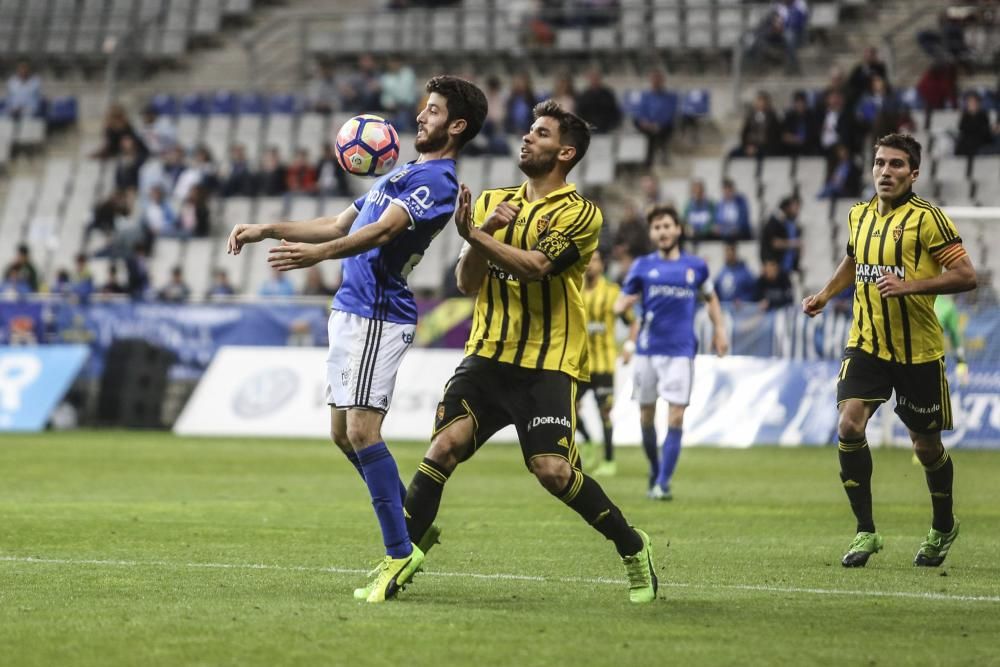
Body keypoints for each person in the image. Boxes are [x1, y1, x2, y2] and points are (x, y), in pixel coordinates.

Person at [227, 75, 487, 603]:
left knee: (364, 433)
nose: (421, 116)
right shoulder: (406, 170)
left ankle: (398, 552)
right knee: (343, 435)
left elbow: (384, 231)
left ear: (456, 126)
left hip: (378, 314)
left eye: (433, 111)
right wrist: (268, 229)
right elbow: (339, 221)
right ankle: (412, 529)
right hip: (349, 311)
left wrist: (320, 257)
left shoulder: (436, 180)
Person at [400, 100, 658, 604]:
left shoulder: (582, 214)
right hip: (488, 355)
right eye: (528, 131)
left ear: (564, 152)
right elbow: (465, 282)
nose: (526, 138)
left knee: (553, 472)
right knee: (443, 447)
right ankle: (399, 554)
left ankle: (632, 546)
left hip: (547, 363)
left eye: (539, 134)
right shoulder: (493, 201)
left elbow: (537, 267)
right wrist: (484, 232)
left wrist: (475, 232)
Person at [802, 133, 977, 568]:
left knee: (925, 448)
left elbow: (966, 275)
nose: (886, 171)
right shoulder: (858, 215)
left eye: (897, 164)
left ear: (913, 173)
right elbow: (853, 260)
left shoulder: (929, 219)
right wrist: (825, 294)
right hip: (866, 343)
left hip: (917, 352)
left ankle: (942, 525)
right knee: (848, 423)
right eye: (880, 163)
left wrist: (909, 286)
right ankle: (865, 532)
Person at [615, 205, 729, 500]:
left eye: (667, 226)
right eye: (657, 227)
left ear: (678, 229)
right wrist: (623, 305)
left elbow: (711, 298)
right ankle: (655, 467)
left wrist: (719, 330)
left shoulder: (696, 266)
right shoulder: (641, 266)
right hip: (647, 352)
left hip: (680, 352)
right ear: (652, 234)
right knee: (646, 417)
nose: (663, 231)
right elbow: (621, 302)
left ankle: (663, 483)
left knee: (676, 416)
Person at [578, 251, 632, 476]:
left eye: (596, 260)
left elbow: (632, 322)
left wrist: (629, 347)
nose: (591, 264)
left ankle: (609, 461)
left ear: (602, 265)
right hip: (579, 365)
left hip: (604, 365)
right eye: (587, 259)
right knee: (569, 410)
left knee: (605, 413)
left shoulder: (611, 293)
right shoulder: (575, 289)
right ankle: (589, 440)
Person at [759, 195, 802, 275]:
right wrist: (794, 244)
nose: (797, 210)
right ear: (787, 208)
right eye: (794, 207)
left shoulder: (788, 223)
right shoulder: (774, 221)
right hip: (774, 266)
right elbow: (775, 243)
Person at [935, 294, 969, 385]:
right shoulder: (948, 306)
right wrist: (962, 363)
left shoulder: (948, 306)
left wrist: (962, 364)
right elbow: (955, 338)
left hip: (906, 357)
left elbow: (955, 336)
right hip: (929, 359)